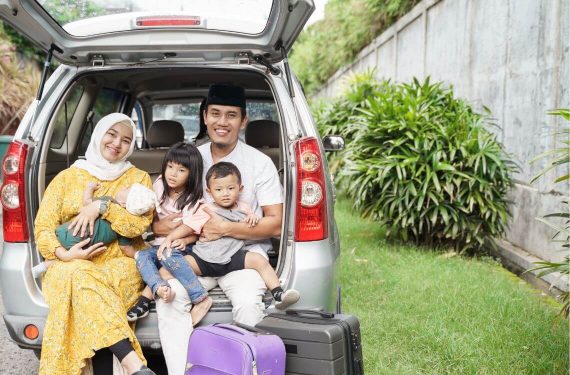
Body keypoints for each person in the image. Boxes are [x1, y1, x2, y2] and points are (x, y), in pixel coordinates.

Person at [154, 84, 283, 375]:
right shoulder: (190, 159)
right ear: (204, 116)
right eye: (215, 114)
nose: (222, 122)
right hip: (198, 256)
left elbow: (275, 223)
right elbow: (165, 210)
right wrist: (166, 227)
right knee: (170, 299)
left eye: (231, 115)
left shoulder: (259, 163)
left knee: (249, 304)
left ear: (243, 121)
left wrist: (226, 228)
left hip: (243, 258)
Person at [34, 112, 157, 375]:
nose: (116, 143)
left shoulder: (139, 178)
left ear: (131, 146)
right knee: (77, 274)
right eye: (111, 134)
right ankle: (131, 362)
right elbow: (43, 227)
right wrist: (63, 254)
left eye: (126, 140)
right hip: (68, 259)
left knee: (97, 282)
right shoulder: (68, 176)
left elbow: (137, 226)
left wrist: (100, 207)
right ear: (99, 134)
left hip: (118, 260)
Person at [158, 161, 299, 310]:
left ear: (240, 188)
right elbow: (188, 226)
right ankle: (158, 292)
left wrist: (252, 218)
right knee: (165, 269)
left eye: (230, 188)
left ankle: (278, 294)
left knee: (259, 261)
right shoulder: (205, 209)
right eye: (218, 189)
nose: (225, 193)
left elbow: (251, 221)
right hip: (204, 259)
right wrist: (170, 238)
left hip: (233, 257)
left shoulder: (244, 207)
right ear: (209, 191)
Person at [126, 142, 213, 325]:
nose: (172, 173)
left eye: (181, 170)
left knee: (167, 254)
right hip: (159, 245)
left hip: (181, 247)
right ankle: (159, 288)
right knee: (142, 255)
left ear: (192, 175)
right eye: (170, 167)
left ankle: (200, 297)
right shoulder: (159, 185)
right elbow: (149, 215)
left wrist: (180, 239)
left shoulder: (194, 199)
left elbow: (192, 229)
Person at [32, 182, 157, 278]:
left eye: (127, 189)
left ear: (124, 204)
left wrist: (89, 188)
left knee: (65, 254)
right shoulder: (124, 227)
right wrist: (140, 253)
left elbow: (87, 202)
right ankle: (44, 266)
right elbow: (126, 249)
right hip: (79, 246)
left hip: (65, 231)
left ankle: (44, 265)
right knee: (68, 261)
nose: (123, 187)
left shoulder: (109, 201)